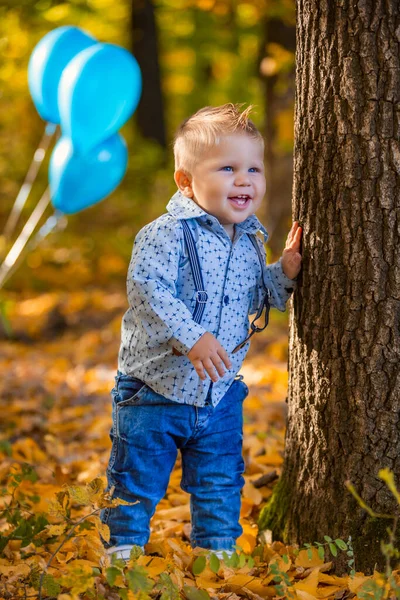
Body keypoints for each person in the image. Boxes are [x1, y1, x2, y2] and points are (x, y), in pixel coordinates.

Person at [101, 103, 302, 560]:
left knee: (220, 480)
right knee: (137, 478)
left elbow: (256, 296)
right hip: (153, 391)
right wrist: (193, 336)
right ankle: (122, 554)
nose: (245, 179)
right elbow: (148, 290)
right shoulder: (166, 233)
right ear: (187, 181)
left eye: (254, 167)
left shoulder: (250, 238)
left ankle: (217, 554)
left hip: (219, 392)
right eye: (228, 168)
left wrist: (282, 274)